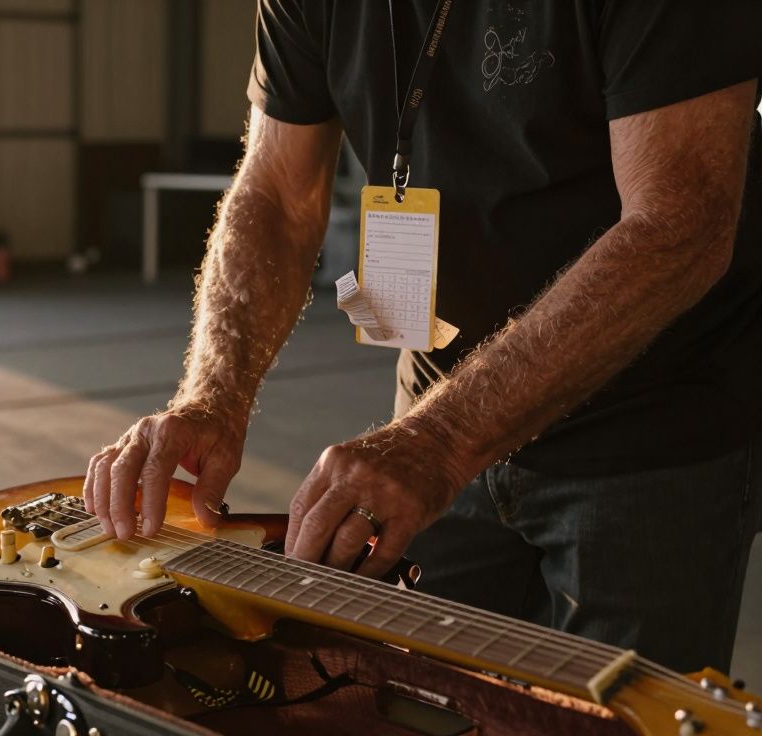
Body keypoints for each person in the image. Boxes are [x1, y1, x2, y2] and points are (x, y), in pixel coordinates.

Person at [84, 0, 762, 673]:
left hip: (648, 435)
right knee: (409, 700)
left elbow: (680, 226)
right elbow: (277, 195)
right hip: (439, 411)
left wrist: (438, 442)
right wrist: (213, 394)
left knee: (611, 722)